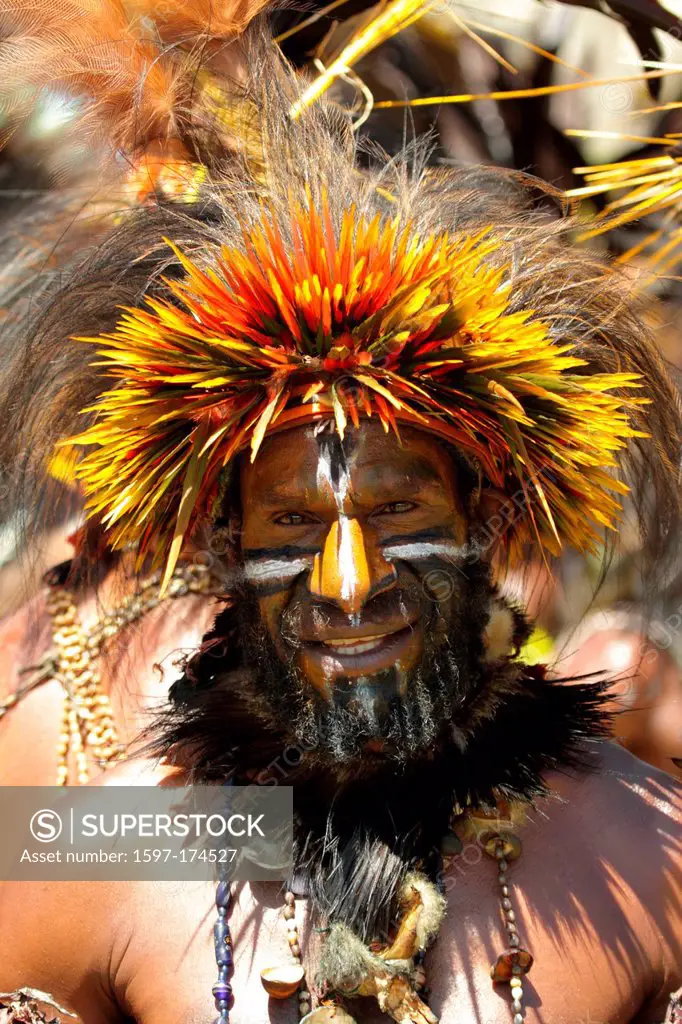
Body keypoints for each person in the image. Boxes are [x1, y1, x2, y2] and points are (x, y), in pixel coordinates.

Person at [0, 7, 681, 1024]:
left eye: (399, 508)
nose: (350, 581)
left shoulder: (651, 853)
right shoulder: (86, 849)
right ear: (224, 542)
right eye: (290, 528)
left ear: (487, 513)